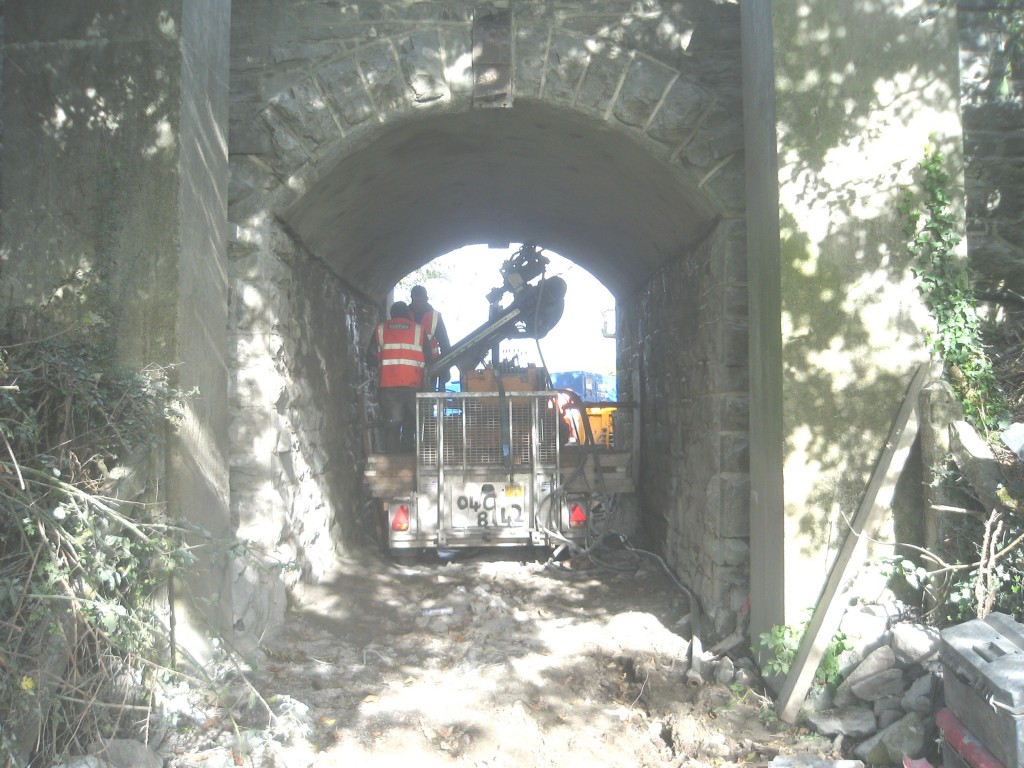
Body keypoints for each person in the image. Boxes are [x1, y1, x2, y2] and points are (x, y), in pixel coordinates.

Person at [365, 301, 427, 452]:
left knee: (392, 421)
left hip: (388, 384)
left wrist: (383, 362)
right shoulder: (418, 330)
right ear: (407, 313)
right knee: (413, 419)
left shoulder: (380, 329)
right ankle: (409, 450)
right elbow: (429, 357)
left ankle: (393, 456)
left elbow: (370, 358)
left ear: (391, 315)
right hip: (413, 383)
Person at [409, 284, 451, 391]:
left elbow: (444, 343)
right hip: (409, 366)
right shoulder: (404, 314)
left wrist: (446, 368)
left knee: (427, 400)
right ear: (411, 299)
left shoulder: (435, 317)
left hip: (431, 366)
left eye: (420, 301)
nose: (417, 304)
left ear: (426, 299)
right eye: (415, 301)